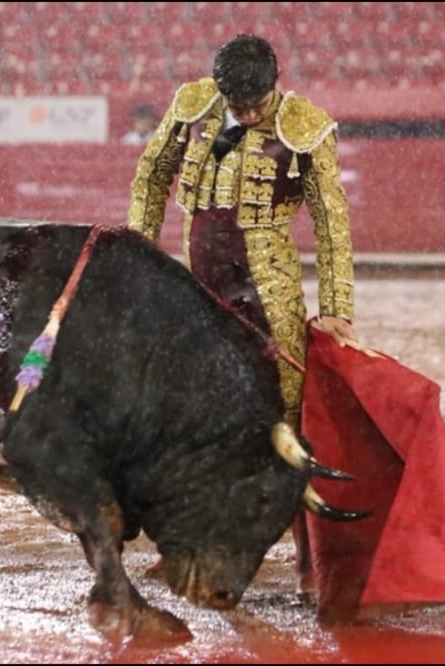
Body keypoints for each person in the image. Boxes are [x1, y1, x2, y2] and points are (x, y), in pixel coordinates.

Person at [127, 33, 357, 431]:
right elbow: (151, 176)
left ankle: (289, 474)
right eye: (238, 106)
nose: (249, 116)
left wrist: (337, 307)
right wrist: (137, 252)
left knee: (286, 377)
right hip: (201, 271)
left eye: (258, 105)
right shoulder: (194, 107)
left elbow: (331, 220)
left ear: (274, 84)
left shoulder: (305, 125)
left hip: (268, 275)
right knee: (200, 376)